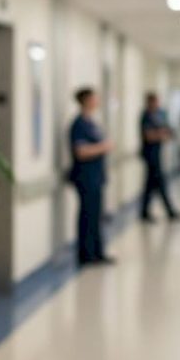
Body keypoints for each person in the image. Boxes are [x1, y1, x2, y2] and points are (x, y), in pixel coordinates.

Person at [69, 87, 115, 266]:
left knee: (96, 215)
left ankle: (97, 252)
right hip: (85, 177)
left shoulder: (92, 123)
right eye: (95, 98)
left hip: (96, 177)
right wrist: (104, 147)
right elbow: (80, 151)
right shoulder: (78, 124)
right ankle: (86, 254)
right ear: (86, 100)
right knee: (87, 215)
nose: (98, 101)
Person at [139, 92, 180, 222]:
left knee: (150, 185)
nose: (156, 104)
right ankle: (170, 212)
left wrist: (161, 133)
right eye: (154, 102)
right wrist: (161, 134)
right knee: (160, 183)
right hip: (150, 155)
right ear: (149, 102)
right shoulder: (146, 116)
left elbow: (169, 132)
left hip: (157, 154)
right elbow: (149, 136)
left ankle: (145, 212)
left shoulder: (159, 115)